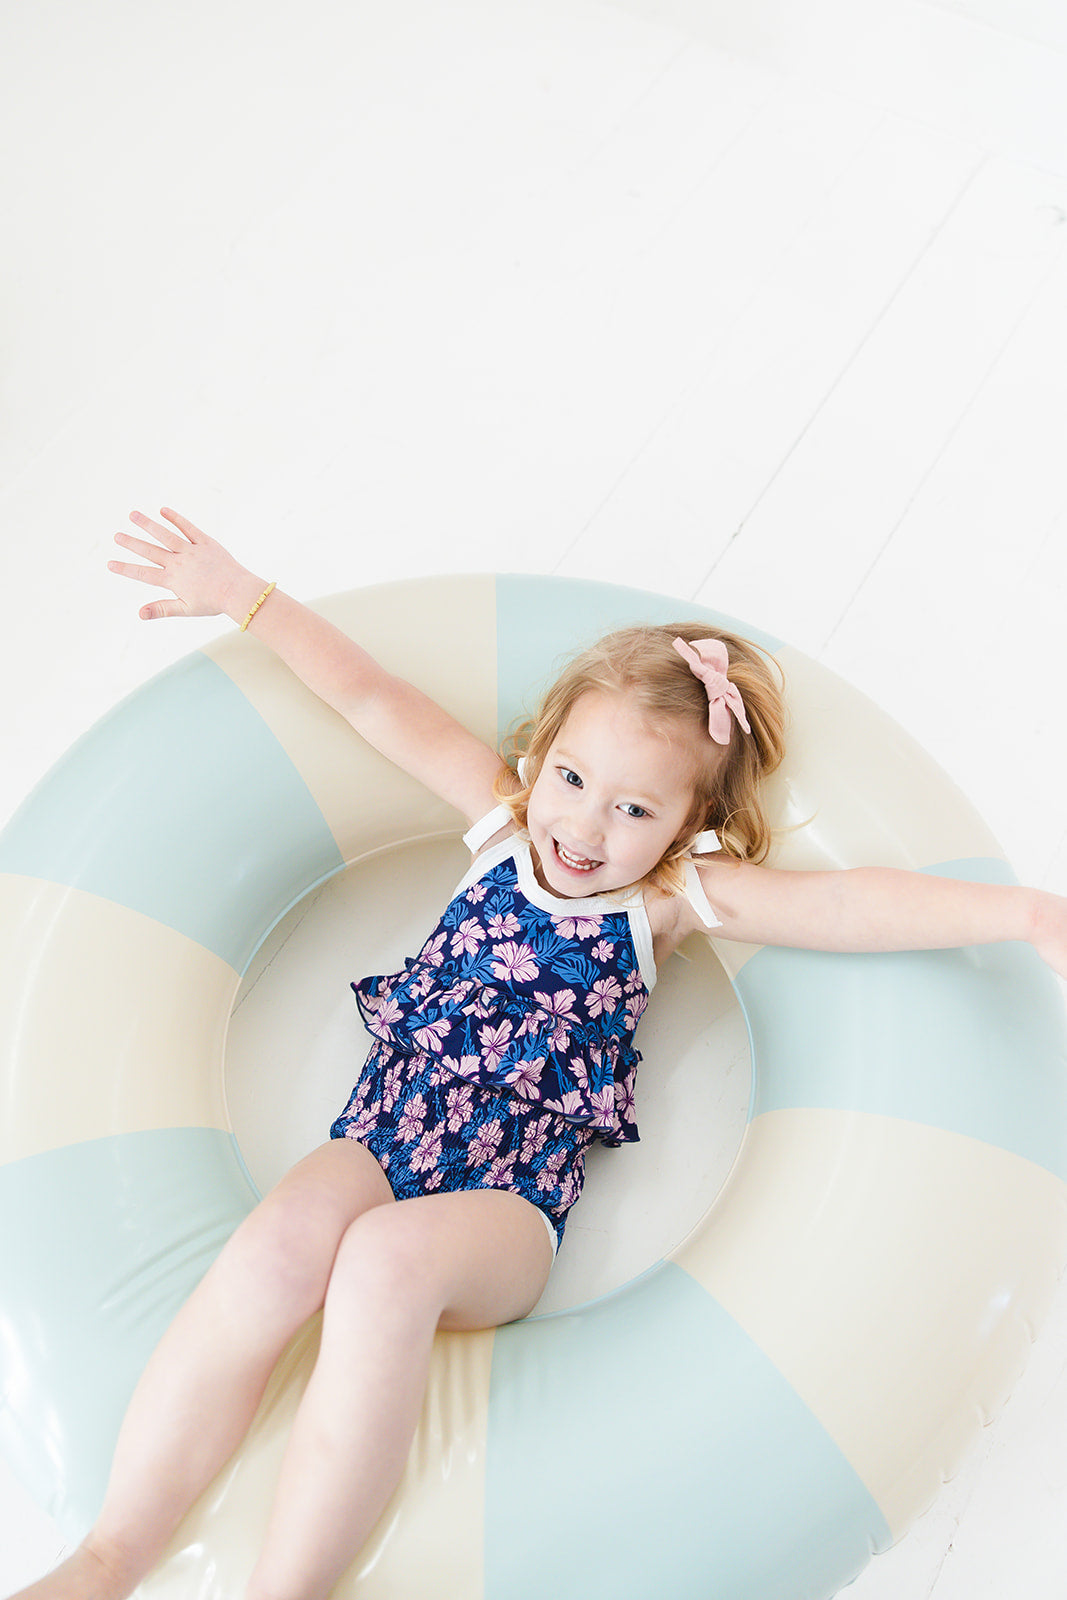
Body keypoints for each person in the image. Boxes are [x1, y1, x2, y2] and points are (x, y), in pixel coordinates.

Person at [14, 507, 1067, 1600]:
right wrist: (241, 592)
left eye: (633, 807)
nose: (584, 826)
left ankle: (288, 1591)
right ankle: (114, 1552)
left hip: (505, 1205)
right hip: (379, 1137)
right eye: (569, 777)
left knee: (381, 1268)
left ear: (685, 826)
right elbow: (373, 698)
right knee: (282, 1240)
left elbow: (847, 901)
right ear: (540, 753)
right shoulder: (496, 826)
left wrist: (1029, 914)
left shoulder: (662, 904)